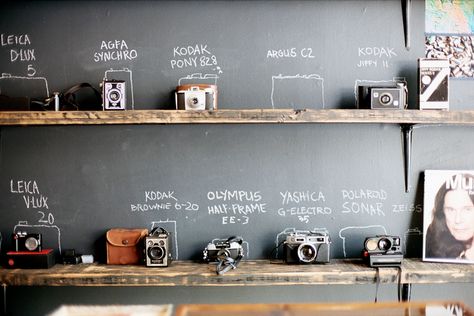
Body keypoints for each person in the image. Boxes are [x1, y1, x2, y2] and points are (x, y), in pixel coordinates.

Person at [425, 173, 474, 261]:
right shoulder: (433, 237)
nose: (458, 220)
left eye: (467, 209)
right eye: (450, 210)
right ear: (442, 213)